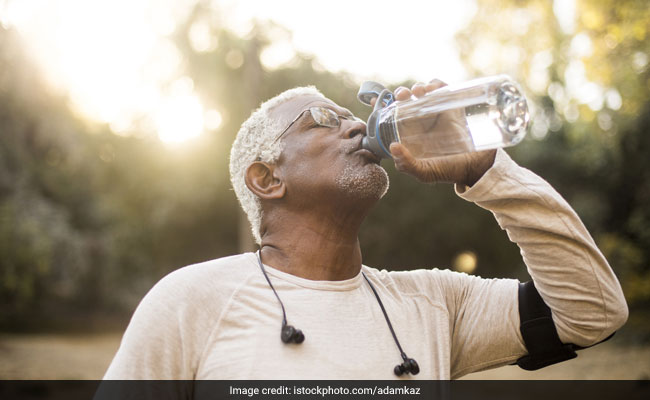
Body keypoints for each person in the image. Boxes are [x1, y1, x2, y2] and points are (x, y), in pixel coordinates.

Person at [103, 79, 628, 380]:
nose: (356, 124)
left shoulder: (435, 303)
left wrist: (485, 173)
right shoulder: (191, 301)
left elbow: (593, 310)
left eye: (349, 115)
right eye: (321, 120)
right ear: (267, 179)